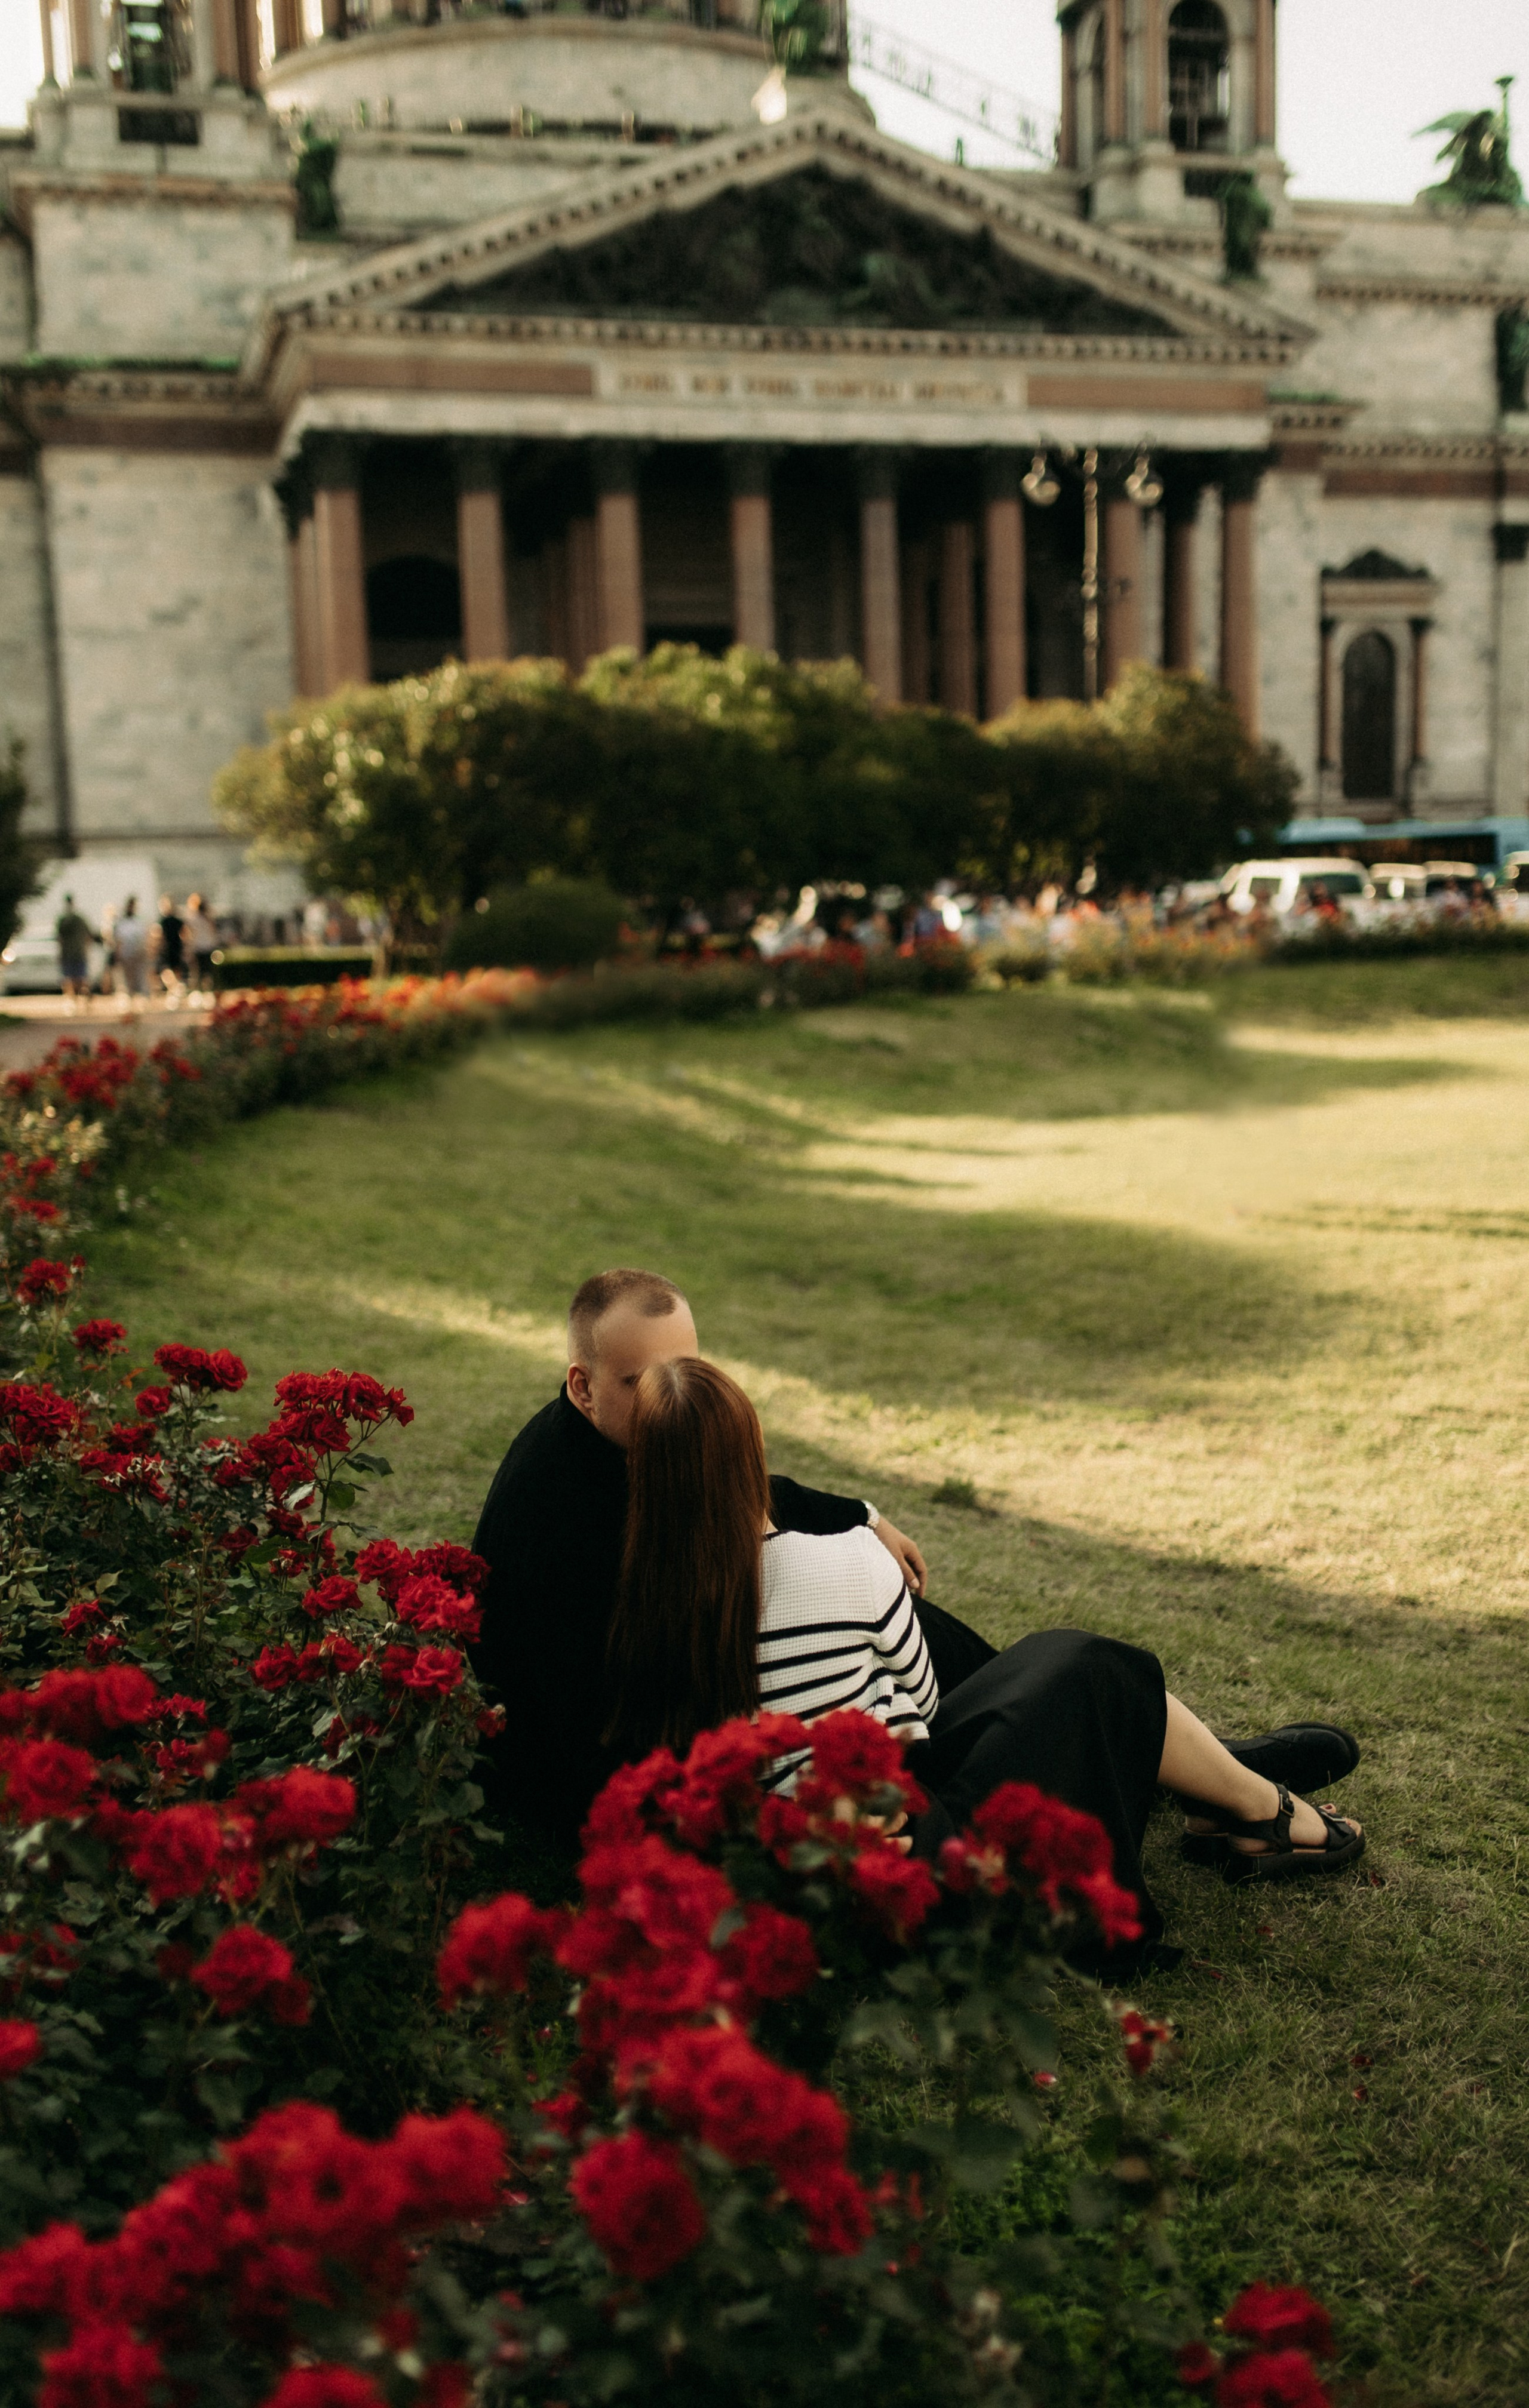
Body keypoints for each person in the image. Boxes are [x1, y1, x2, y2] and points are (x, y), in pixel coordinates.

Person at [606, 1358, 1366, 1972]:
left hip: (806, 1883)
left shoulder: (638, 1615)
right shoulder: (840, 1560)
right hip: (912, 1858)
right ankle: (1261, 1809)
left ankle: (1231, 1800)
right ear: (754, 1454)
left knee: (1061, 1667)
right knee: (1079, 1664)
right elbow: (925, 1696)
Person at [468, 1268, 994, 1845]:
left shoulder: (621, 1439)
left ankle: (997, 1697)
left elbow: (731, 1477)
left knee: (892, 1617)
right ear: (582, 1385)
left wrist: (862, 1516)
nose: (671, 1396)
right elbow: (577, 1735)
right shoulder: (558, 1523)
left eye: (687, 1372)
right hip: (601, 1766)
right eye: (639, 1380)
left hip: (672, 1721)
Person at [54, 894, 96, 1005]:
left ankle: (72, 1000)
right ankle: (85, 994)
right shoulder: (81, 919)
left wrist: (60, 953)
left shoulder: (63, 920)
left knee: (68, 978)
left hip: (68, 953)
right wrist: (87, 949)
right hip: (80, 952)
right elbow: (89, 936)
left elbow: (60, 938)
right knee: (81, 977)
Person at [112, 896, 150, 1000]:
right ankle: (131, 995)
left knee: (140, 975)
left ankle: (142, 995)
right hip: (127, 953)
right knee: (129, 977)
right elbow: (119, 940)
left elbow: (144, 937)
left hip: (137, 952)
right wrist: (118, 953)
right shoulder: (123, 923)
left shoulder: (137, 921)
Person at [183, 895, 217, 994]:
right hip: (208, 947)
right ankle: (209, 990)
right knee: (208, 971)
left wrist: (188, 948)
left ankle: (199, 991)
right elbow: (213, 932)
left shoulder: (191, 918)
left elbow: (187, 934)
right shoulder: (208, 918)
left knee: (197, 972)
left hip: (197, 947)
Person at [156, 896, 186, 1000]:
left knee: (167, 970)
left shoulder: (163, 921)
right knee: (174, 969)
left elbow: (160, 936)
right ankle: (176, 987)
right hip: (176, 947)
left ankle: (175, 988)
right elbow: (185, 934)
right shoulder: (177, 920)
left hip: (169, 948)